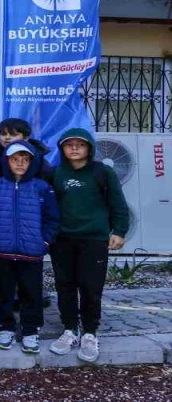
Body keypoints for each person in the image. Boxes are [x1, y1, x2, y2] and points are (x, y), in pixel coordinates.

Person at [48, 128, 130, 363]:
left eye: (80, 144)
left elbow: (118, 203)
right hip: (62, 240)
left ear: (89, 148)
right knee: (65, 286)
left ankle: (90, 333)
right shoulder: (56, 173)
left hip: (94, 239)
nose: (74, 148)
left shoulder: (102, 172)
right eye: (69, 144)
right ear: (62, 148)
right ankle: (70, 330)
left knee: (91, 287)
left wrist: (119, 231)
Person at [0, 143, 59, 354]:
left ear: (32, 162)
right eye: (15, 159)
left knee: (32, 293)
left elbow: (52, 219)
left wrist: (44, 242)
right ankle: (5, 327)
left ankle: (30, 331)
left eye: (25, 159)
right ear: (6, 161)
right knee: (2, 292)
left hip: (32, 254)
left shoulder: (42, 188)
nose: (20, 163)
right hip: (2, 252)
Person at [0, 118, 54, 182]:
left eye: (13, 135)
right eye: (3, 134)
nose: (7, 137)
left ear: (26, 138)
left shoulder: (37, 157)